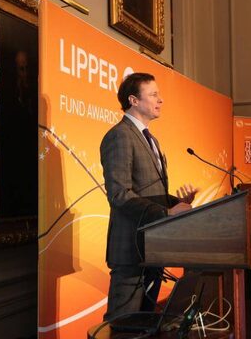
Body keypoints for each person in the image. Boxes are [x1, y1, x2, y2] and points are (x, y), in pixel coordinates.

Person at [100, 72, 198, 321]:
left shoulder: (151, 139)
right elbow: (120, 194)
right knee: (123, 325)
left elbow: (148, 192)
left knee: (145, 324)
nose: (160, 100)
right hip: (131, 250)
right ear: (133, 100)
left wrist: (178, 203)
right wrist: (165, 213)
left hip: (153, 247)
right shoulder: (120, 135)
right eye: (153, 94)